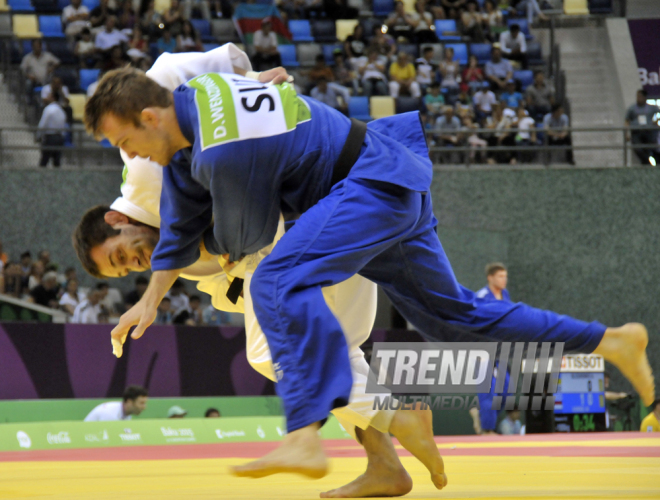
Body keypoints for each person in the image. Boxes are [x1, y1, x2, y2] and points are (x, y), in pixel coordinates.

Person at [84, 47, 654, 485]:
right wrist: (150, 299)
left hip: (368, 187)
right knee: (454, 319)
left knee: (278, 281)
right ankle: (611, 340)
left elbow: (245, 243)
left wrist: (216, 255)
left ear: (152, 116)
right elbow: (180, 229)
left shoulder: (221, 152)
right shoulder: (195, 114)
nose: (128, 154)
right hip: (381, 179)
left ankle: (307, 435)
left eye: (125, 139)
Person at [625, 89, 660, 166]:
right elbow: (627, 120)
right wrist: (627, 132)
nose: (638, 98)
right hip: (637, 132)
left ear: (644, 97)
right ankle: (647, 163)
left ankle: (652, 163)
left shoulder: (651, 108)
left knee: (650, 148)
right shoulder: (632, 108)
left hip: (648, 131)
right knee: (638, 148)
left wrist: (656, 121)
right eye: (637, 97)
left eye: (640, 97)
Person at [84, 385, 148, 421]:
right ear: (129, 402)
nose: (144, 407)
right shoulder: (110, 414)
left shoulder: (127, 415)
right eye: (141, 403)